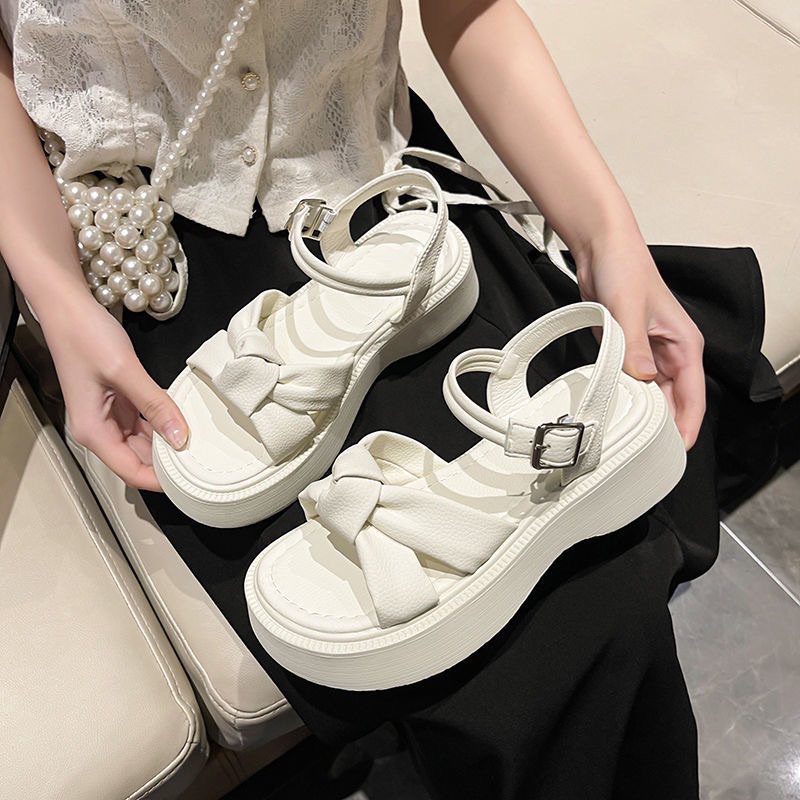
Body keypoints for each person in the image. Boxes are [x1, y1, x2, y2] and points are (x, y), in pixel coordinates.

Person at [0, 2, 778, 798]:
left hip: (374, 190)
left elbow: (470, 9)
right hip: (136, 243)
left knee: (597, 603)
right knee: (495, 674)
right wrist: (58, 302)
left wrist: (605, 234)